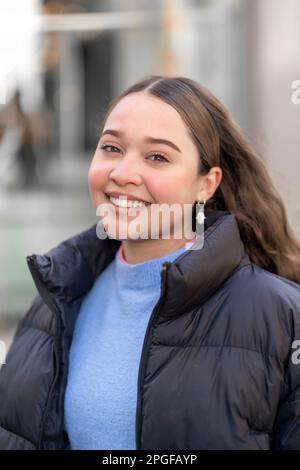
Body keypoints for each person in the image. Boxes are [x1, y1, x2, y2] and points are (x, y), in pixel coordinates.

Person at [0, 75, 300, 450]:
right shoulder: (54, 303)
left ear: (206, 185)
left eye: (157, 156)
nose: (123, 173)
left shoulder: (283, 316)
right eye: (111, 148)